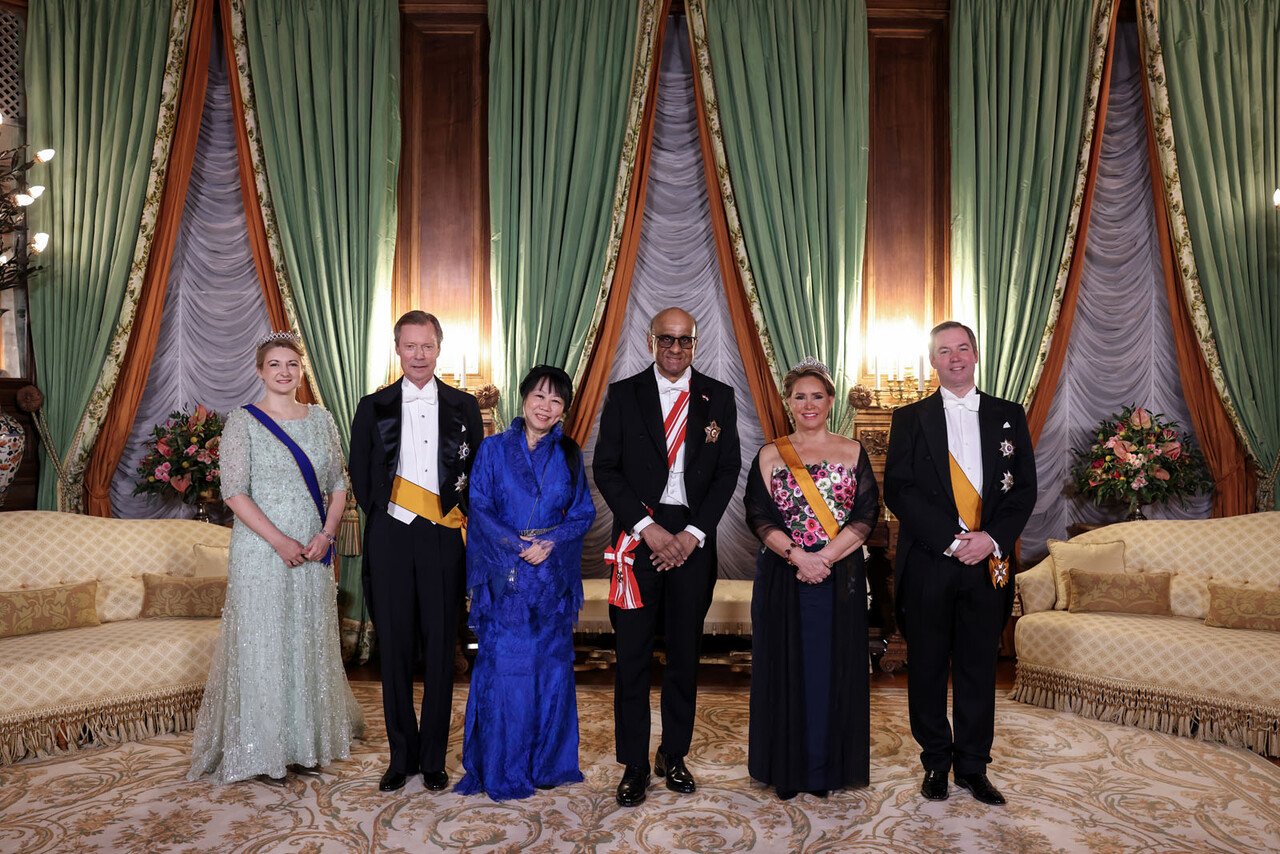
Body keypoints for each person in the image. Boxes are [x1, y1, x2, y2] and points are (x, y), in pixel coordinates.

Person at [189, 330, 363, 785]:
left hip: (314, 547)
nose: (284, 372)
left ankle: (304, 744)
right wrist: (279, 541)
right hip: (261, 549)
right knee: (264, 642)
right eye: (275, 365)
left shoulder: (321, 419)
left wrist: (327, 534)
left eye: (292, 365)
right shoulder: (242, 421)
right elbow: (234, 492)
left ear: (301, 370)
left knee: (306, 639)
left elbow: (339, 484)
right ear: (259, 371)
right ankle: (263, 748)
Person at [593, 306, 741, 807]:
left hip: (694, 540)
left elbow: (728, 471)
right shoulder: (624, 394)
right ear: (650, 341)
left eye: (684, 340)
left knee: (683, 656)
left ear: (695, 344)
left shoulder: (719, 396)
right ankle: (634, 763)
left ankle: (672, 754)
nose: (675, 348)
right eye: (666, 339)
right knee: (632, 656)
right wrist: (647, 528)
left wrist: (693, 534)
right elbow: (606, 468)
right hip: (638, 538)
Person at [883, 321, 1036, 805]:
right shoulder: (910, 417)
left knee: (977, 668)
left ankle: (973, 767)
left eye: (962, 348)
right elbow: (899, 490)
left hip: (987, 561)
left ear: (975, 354)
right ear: (933, 361)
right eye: (944, 351)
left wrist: (989, 539)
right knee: (927, 667)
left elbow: (1024, 490)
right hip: (931, 560)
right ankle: (935, 762)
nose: (955, 357)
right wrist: (952, 542)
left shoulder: (1009, 414)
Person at [348, 311, 484, 793]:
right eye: (410, 346)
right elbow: (360, 472)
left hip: (443, 539)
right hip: (391, 536)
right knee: (395, 648)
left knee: (443, 647)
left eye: (427, 346)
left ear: (438, 348)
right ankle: (401, 756)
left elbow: (476, 474)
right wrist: (386, 518)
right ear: (398, 349)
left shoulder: (465, 406)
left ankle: (432, 758)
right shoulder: (372, 406)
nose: (419, 355)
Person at [455, 365, 596, 800]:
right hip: (507, 576)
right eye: (539, 396)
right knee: (506, 671)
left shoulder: (569, 453)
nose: (546, 407)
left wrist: (550, 542)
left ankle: (548, 764)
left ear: (564, 410)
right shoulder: (493, 449)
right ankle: (502, 765)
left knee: (551, 670)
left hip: (551, 577)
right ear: (523, 398)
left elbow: (583, 513)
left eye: (556, 400)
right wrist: (516, 544)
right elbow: (479, 505)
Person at [744, 358, 879, 800]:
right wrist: (799, 557)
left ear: (831, 401)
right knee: (785, 668)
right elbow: (758, 516)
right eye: (799, 396)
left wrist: (824, 558)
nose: (808, 404)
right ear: (788, 402)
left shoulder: (853, 451)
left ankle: (826, 768)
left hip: (839, 578)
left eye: (817, 396)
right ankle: (786, 767)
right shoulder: (770, 454)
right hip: (784, 577)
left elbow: (866, 514)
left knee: (830, 670)